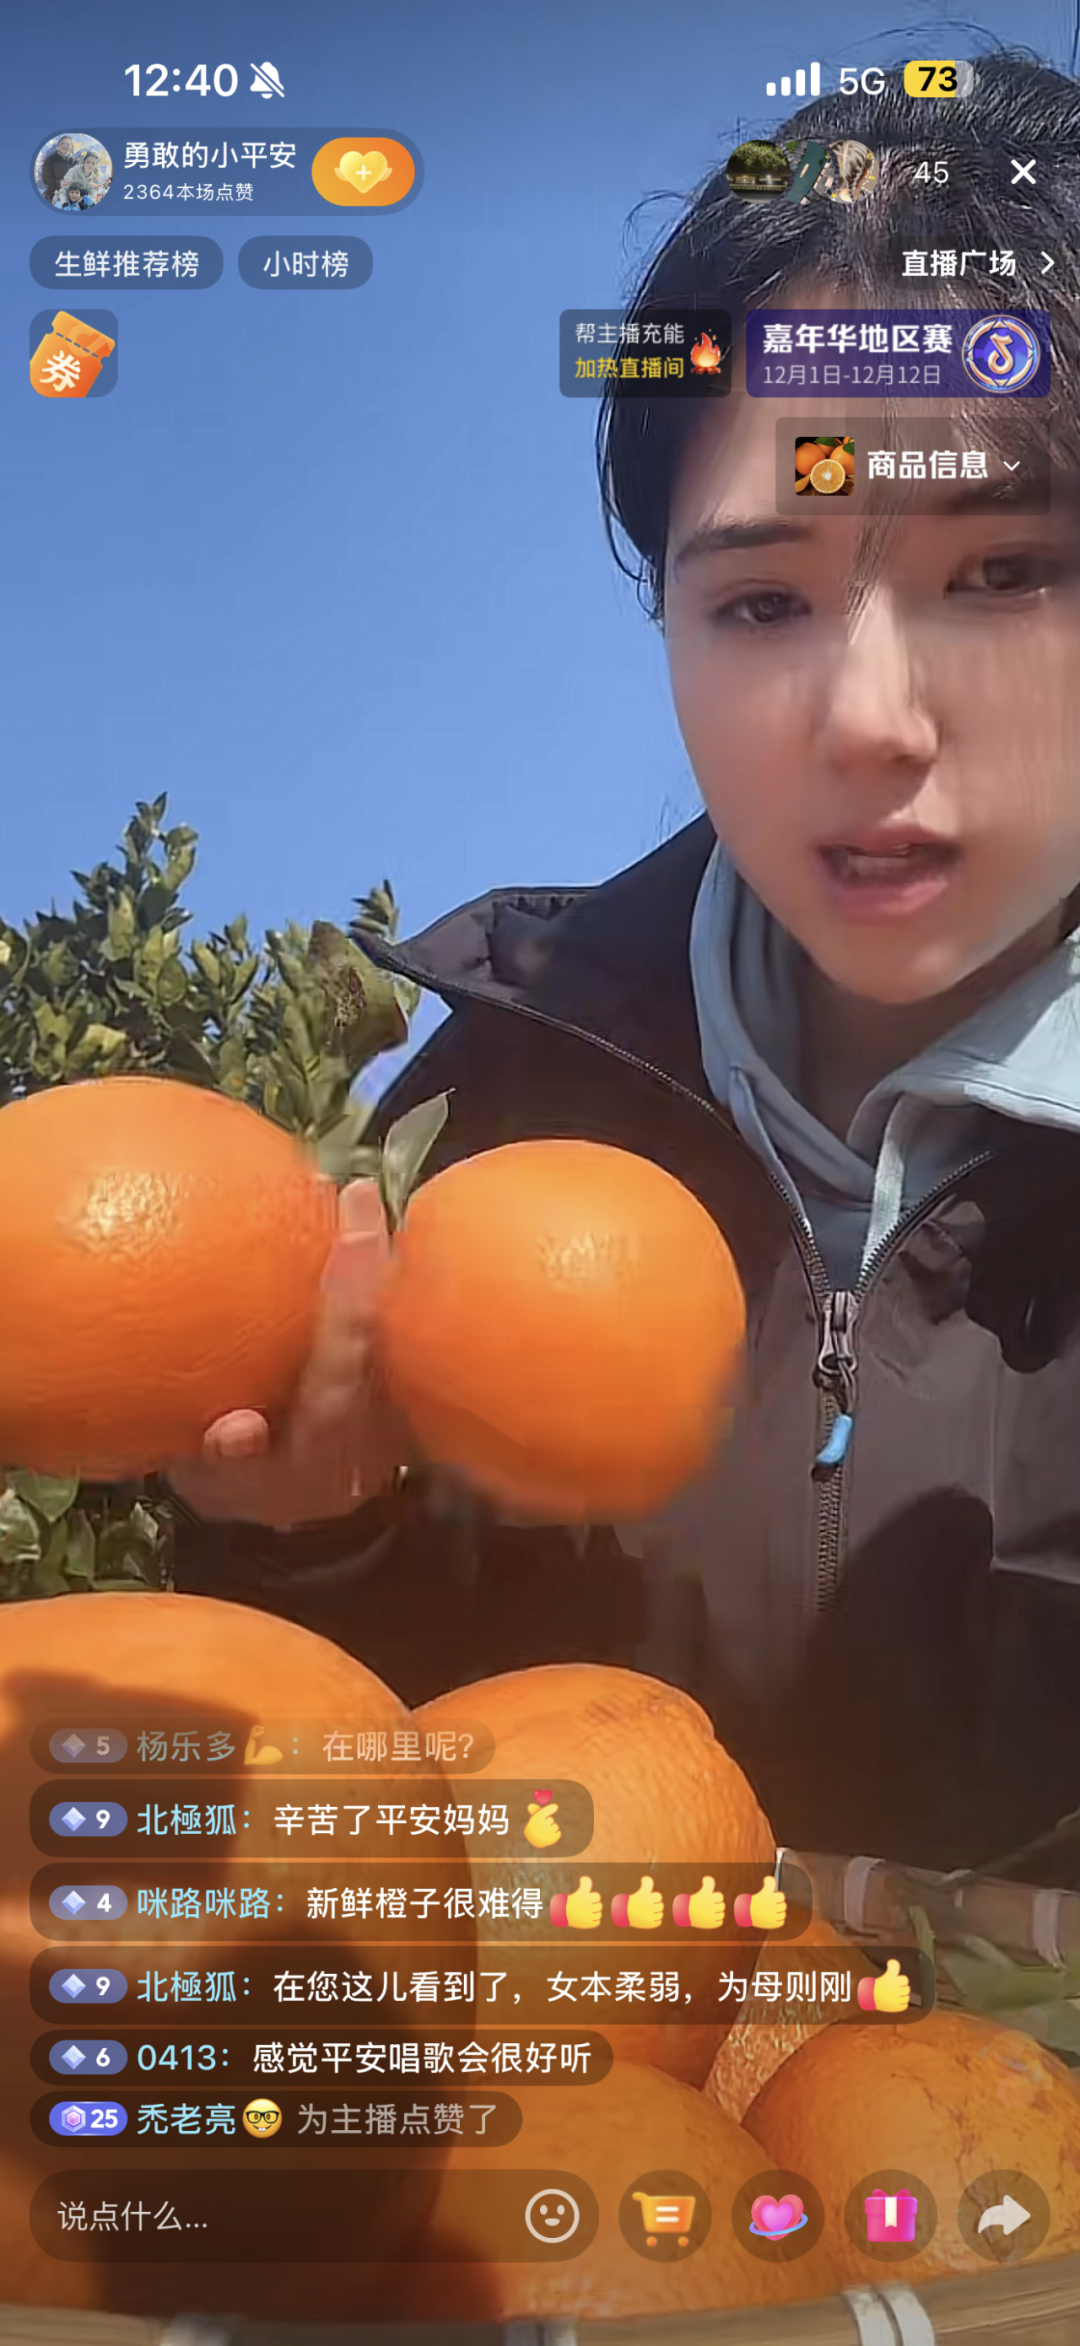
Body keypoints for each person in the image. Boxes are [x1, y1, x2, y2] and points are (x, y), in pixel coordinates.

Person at [166, 50, 1080, 1882]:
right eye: (762, 598)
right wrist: (308, 1537)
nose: (871, 720)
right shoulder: (487, 1110)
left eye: (1001, 574)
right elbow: (385, 1821)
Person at [39, 136, 76, 206]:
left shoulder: (74, 161)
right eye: (63, 143)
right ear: (59, 145)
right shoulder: (49, 159)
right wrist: (59, 184)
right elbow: (45, 179)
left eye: (68, 144)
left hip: (70, 195)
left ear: (71, 147)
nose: (65, 146)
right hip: (53, 195)